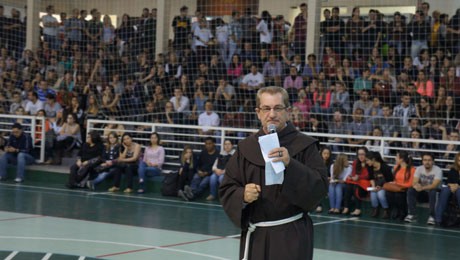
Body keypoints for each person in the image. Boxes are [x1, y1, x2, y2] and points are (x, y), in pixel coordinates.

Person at [219, 86, 328, 260]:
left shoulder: (305, 145)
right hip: (257, 236)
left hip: (291, 236)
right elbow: (227, 188)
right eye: (266, 108)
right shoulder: (245, 148)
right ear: (258, 112)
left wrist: (290, 164)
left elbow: (320, 187)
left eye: (278, 108)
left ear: (288, 111)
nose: (272, 114)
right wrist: (242, 195)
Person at [405, 153, 442, 225]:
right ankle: (412, 214)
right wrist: (416, 186)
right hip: (422, 192)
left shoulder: (438, 170)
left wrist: (422, 187)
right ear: (422, 161)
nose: (427, 162)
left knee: (433, 191)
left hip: (433, 193)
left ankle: (432, 216)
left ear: (433, 161)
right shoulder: (419, 169)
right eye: (425, 160)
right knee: (411, 190)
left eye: (429, 160)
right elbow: (414, 182)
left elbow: (434, 185)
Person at [385, 151, 415, 221]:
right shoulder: (396, 167)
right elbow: (395, 180)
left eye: (397, 157)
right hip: (396, 188)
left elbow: (410, 183)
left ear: (401, 159)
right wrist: (393, 183)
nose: (395, 158)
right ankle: (394, 210)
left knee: (399, 195)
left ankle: (402, 212)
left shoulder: (412, 169)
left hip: (405, 189)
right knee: (388, 193)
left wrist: (397, 184)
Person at [343, 147, 371, 216]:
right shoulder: (355, 162)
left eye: (362, 154)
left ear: (366, 154)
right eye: (359, 154)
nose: (361, 156)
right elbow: (353, 174)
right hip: (357, 182)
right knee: (349, 186)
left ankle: (358, 209)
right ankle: (346, 207)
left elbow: (369, 176)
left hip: (366, 186)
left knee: (355, 187)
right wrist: (351, 177)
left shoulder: (369, 162)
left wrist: (359, 177)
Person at [366, 151, 393, 218]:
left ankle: (386, 209)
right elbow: (371, 178)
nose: (367, 162)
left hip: (385, 186)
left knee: (380, 194)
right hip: (376, 185)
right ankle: (375, 209)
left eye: (368, 160)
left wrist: (381, 187)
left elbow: (390, 180)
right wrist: (373, 186)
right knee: (373, 193)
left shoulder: (384, 167)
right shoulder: (369, 167)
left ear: (373, 159)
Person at [435, 152, 460, 226]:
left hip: (458, 190)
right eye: (459, 160)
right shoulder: (453, 170)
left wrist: (457, 186)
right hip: (452, 189)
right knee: (445, 190)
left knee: (459, 191)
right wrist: (453, 185)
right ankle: (438, 218)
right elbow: (448, 181)